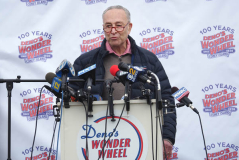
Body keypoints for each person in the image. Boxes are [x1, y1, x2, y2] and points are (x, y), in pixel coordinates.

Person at [69, 5, 176, 159]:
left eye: (118, 25)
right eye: (108, 26)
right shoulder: (85, 62)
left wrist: (167, 137)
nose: (113, 30)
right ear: (103, 28)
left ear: (129, 27)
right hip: (98, 141)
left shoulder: (149, 60)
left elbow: (166, 98)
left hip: (141, 139)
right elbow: (70, 98)